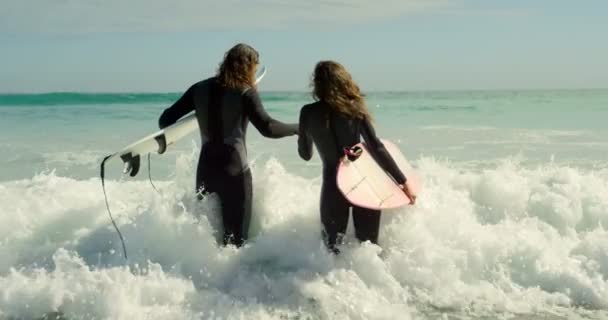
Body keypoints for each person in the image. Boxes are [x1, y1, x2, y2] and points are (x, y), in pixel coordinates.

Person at [158, 43, 298, 247]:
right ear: (249, 66)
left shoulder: (198, 89)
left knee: (207, 243)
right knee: (236, 244)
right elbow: (268, 128)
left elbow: (166, 119)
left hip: (205, 172)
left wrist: (170, 136)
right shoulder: (245, 93)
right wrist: (297, 128)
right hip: (234, 173)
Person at [297, 60, 416, 253]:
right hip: (363, 184)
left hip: (332, 187)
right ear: (344, 81)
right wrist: (402, 181)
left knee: (331, 252)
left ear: (317, 84)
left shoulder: (308, 112)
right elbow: (376, 147)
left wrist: (303, 133)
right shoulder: (354, 108)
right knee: (369, 250)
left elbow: (305, 154)